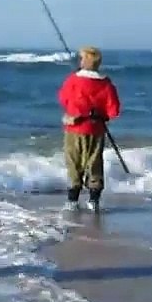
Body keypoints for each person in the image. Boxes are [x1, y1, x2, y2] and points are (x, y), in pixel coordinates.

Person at [57, 45, 121, 211]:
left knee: (73, 161)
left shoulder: (73, 80)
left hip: (75, 128)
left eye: (82, 58)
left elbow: (63, 99)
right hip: (96, 129)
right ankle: (94, 199)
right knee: (94, 162)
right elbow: (114, 110)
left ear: (85, 61)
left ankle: (73, 199)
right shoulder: (106, 83)